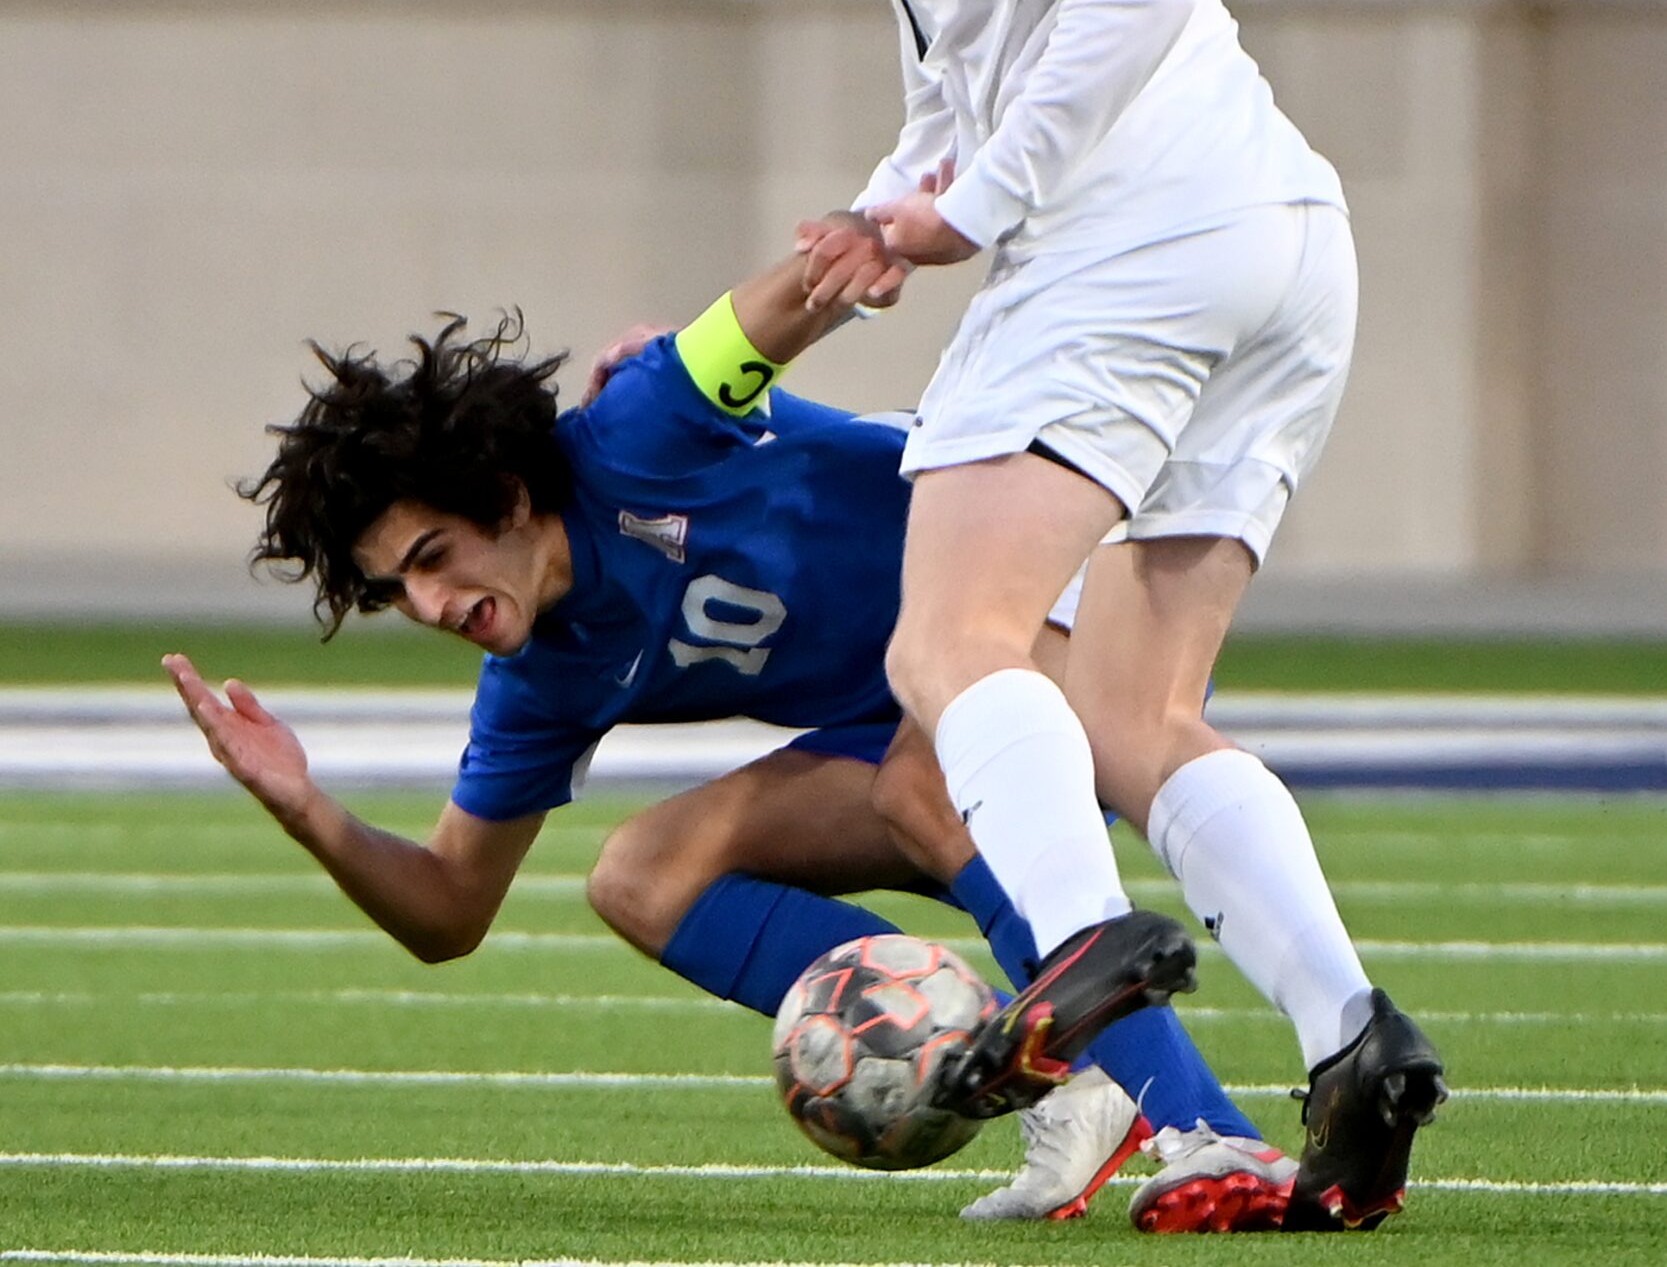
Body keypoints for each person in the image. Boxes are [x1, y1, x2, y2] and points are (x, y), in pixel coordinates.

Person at [632, 0, 1446, 1231]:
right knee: (1139, 715)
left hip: (1136, 238)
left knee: (950, 642)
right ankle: (1351, 1032)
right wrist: (880, 214)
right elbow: (975, 80)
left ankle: (1077, 949)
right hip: (1276, 242)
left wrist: (985, 202)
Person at [167, 254, 1298, 1235]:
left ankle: (1210, 1133)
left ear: (503, 493)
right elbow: (448, 912)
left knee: (922, 782)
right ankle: (1062, 1076)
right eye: (391, 590)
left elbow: (784, 301)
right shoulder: (538, 677)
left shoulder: (639, 427)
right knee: (638, 875)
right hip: (909, 707)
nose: (422, 602)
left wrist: (872, 242)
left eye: (429, 555)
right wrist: (304, 808)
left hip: (1034, 604)